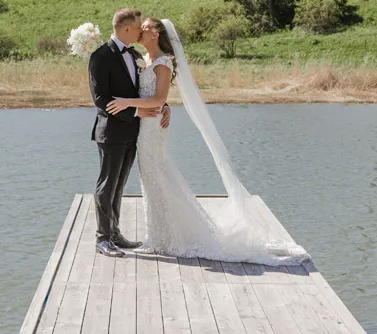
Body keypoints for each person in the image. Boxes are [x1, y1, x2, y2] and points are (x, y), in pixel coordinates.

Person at [106, 17, 308, 265]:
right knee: (153, 179)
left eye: (145, 27)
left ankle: (168, 238)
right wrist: (156, 106)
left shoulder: (163, 62)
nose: (140, 30)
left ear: (156, 33)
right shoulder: (143, 59)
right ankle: (160, 236)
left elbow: (158, 98)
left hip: (152, 128)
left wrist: (131, 103)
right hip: (144, 124)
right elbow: (151, 95)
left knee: (155, 177)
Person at [88, 8, 170, 258]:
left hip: (133, 133)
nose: (139, 31)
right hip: (111, 132)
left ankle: (114, 234)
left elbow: (144, 91)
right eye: (137, 27)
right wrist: (134, 114)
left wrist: (163, 105)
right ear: (125, 29)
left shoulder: (134, 54)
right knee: (106, 184)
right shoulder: (101, 56)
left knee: (119, 184)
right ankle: (102, 239)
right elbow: (101, 99)